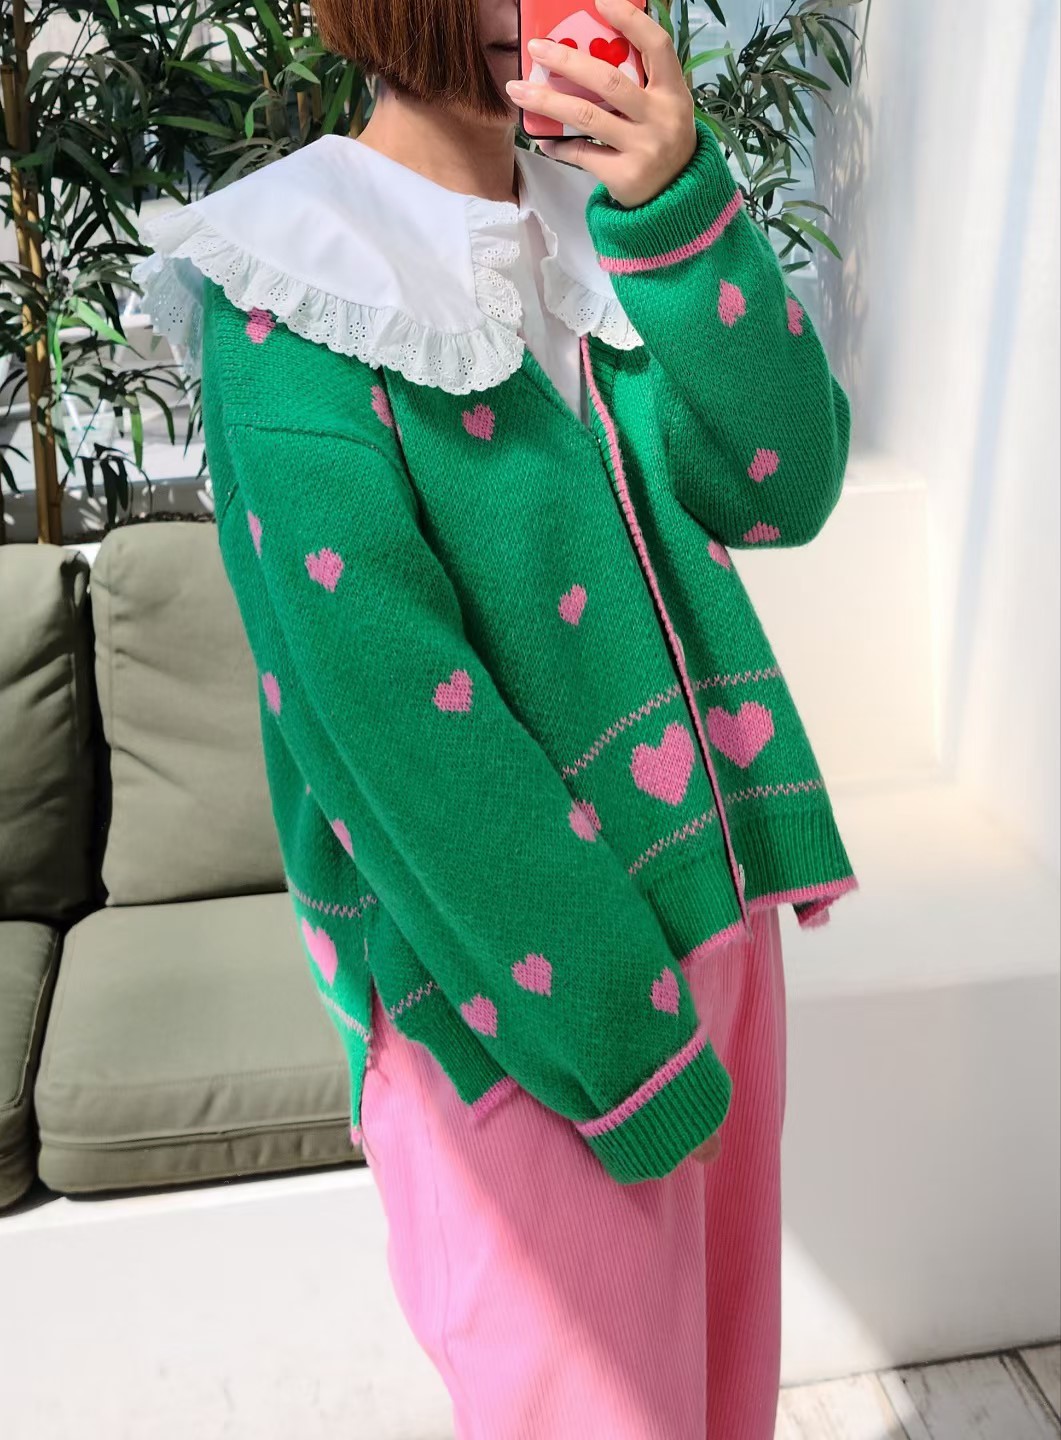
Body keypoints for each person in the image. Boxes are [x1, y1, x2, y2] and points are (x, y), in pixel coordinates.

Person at [132, 0, 857, 1432]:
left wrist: (678, 203)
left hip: (715, 921)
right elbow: (397, 735)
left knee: (723, 1403)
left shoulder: (603, 220)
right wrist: (618, 1037)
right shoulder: (290, 282)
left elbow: (782, 483)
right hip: (515, 1006)